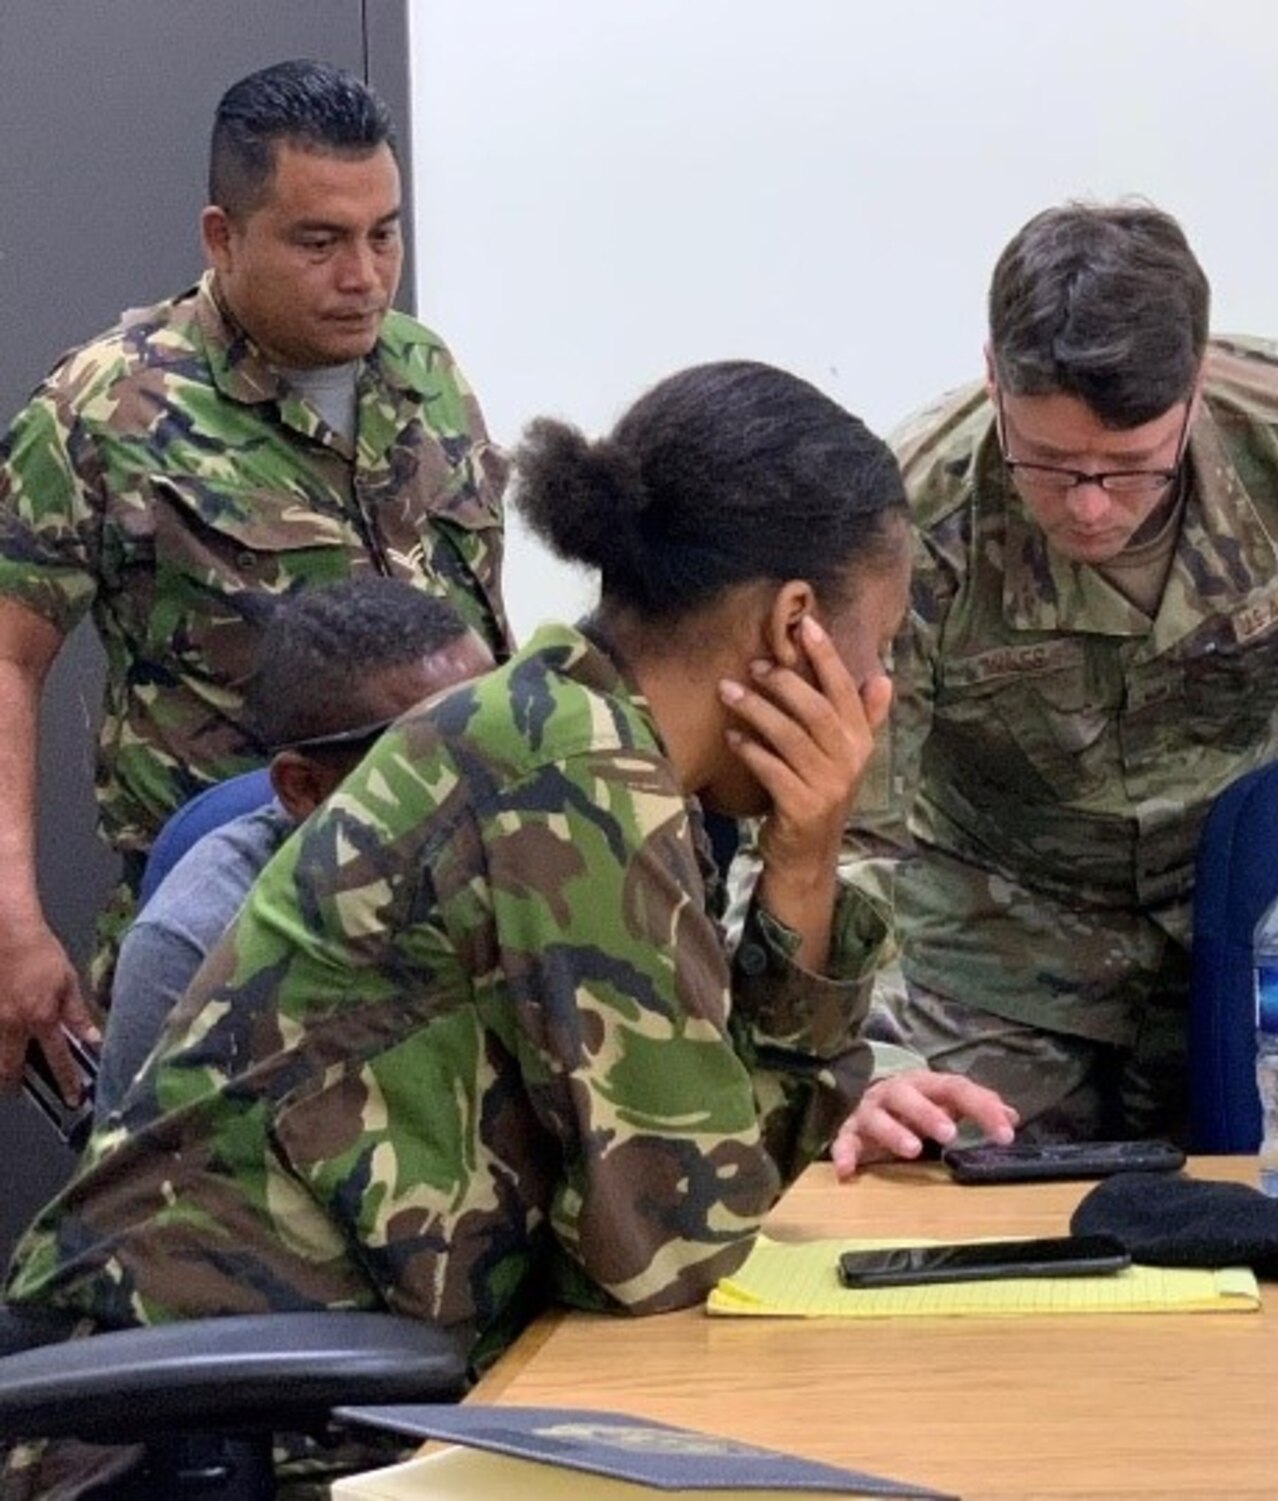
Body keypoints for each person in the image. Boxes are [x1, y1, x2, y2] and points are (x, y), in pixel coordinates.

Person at [2, 361, 1010, 1496]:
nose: (876, 688)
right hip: (183, 1436)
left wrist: (803, 860)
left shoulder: (576, 735)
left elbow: (710, 1189)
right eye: (876, 645)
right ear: (789, 627)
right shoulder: (568, 778)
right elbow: (674, 1254)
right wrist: (810, 861)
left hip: (331, 1406)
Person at [852, 199, 1278, 1141]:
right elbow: (843, 824)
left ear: (1196, 384)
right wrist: (866, 1061)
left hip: (1256, 913)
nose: (1089, 508)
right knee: (958, 1206)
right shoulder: (908, 520)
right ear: (993, 377)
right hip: (998, 941)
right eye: (1047, 463)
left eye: (1129, 465)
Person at [0, 59, 511, 1104]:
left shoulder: (426, 374)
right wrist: (10, 920)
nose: (365, 275)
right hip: (226, 946)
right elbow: (7, 658)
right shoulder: (110, 404)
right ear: (222, 237)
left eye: (384, 233)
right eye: (319, 241)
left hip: (441, 946)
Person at [94, 578, 495, 1114]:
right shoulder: (196, 939)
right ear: (304, 787)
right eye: (435, 759)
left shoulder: (536, 850)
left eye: (500, 725)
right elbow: (147, 1187)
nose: (491, 778)